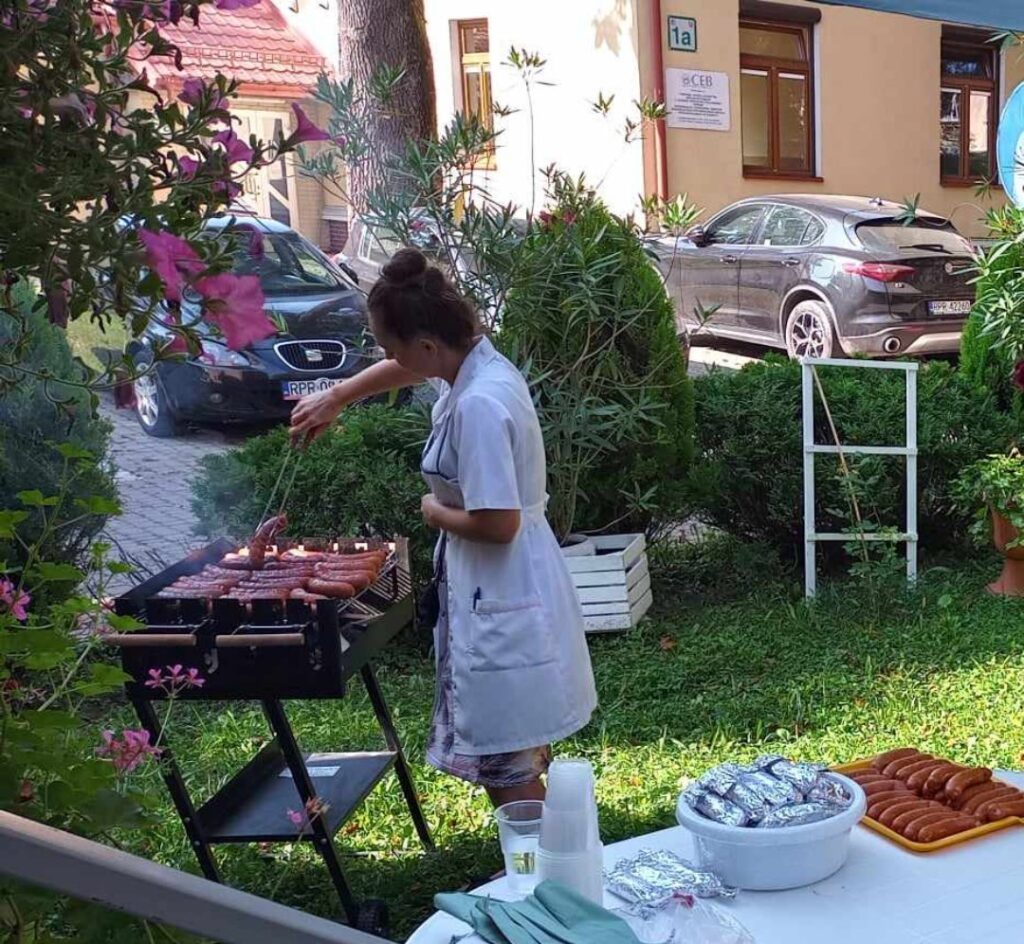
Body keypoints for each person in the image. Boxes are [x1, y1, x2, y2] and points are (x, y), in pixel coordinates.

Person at [290, 248, 597, 807]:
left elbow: (498, 523)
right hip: (499, 582)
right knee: (508, 747)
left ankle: (537, 872)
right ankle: (537, 858)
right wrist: (338, 396)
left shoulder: (479, 403)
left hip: (503, 579)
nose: (388, 358)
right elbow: (407, 368)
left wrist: (433, 512)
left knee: (508, 756)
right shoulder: (472, 365)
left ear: (428, 345)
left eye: (390, 346)